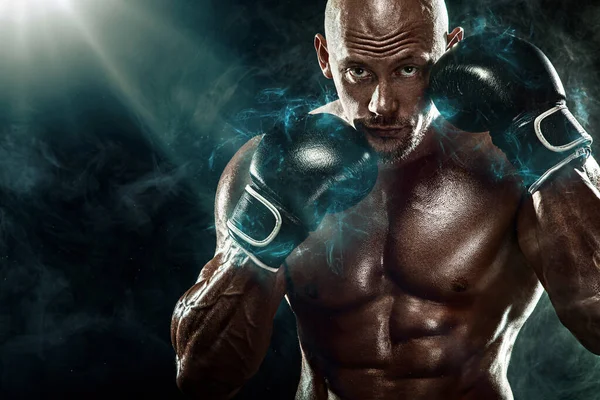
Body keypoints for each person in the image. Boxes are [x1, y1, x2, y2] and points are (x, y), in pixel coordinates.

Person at [170, 0, 600, 398]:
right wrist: (259, 241)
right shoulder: (267, 167)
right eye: (358, 71)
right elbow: (202, 377)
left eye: (408, 70)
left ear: (450, 52)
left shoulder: (509, 162)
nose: (382, 104)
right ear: (325, 57)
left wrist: (551, 147)